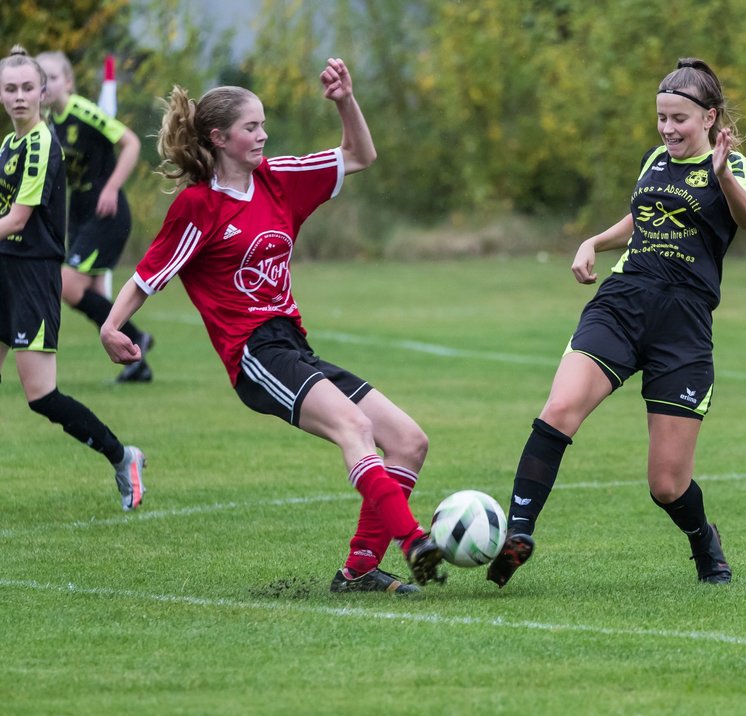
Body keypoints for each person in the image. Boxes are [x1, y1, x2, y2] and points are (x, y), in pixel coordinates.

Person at [100, 58, 442, 595]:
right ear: (219, 137)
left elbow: (359, 155)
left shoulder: (279, 180)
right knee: (354, 430)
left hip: (293, 346)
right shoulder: (199, 206)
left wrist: (345, 100)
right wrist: (111, 326)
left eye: (263, 124)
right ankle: (414, 540)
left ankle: (357, 572)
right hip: (253, 354)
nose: (263, 135)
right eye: (251, 127)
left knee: (408, 441)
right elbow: (149, 275)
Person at [485, 57, 746, 588]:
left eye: (679, 119)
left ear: (709, 117)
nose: (667, 129)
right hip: (623, 302)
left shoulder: (733, 165)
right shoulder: (654, 158)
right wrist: (594, 240)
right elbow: (645, 213)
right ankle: (517, 535)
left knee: (667, 485)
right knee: (560, 407)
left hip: (683, 323)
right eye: (661, 117)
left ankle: (704, 540)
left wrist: (721, 171)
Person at [0, 46, 146, 511]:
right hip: (5, 270)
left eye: (27, 88)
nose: (20, 96)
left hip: (34, 276)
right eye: (10, 89)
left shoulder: (43, 143)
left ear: (43, 91)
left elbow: (18, 219)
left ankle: (122, 457)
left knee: (41, 397)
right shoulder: (7, 145)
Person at [36, 50, 154, 383]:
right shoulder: (51, 123)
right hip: (80, 211)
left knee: (68, 285)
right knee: (82, 292)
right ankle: (136, 356)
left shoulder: (83, 112)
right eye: (40, 80)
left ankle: (134, 338)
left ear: (68, 83)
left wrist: (111, 187)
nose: (45, 86)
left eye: (52, 78)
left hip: (107, 210)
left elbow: (130, 143)